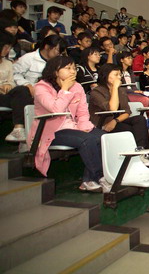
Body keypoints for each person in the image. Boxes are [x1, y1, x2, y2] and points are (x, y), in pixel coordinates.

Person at [27, 56, 107, 192]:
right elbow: (56, 109)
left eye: (74, 68)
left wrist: (83, 126)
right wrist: (65, 89)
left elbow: (82, 112)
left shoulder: (77, 87)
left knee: (104, 137)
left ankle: (88, 180)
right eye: (68, 68)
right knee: (88, 140)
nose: (73, 71)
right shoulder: (41, 87)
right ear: (55, 71)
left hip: (73, 128)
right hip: (50, 132)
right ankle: (99, 177)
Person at [88, 64, 149, 150]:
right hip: (103, 122)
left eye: (120, 75)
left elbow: (127, 111)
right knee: (131, 130)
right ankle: (138, 151)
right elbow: (112, 108)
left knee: (140, 119)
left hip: (118, 120)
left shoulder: (121, 90)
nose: (119, 77)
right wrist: (114, 88)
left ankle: (141, 150)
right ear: (106, 75)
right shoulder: (96, 92)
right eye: (116, 74)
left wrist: (115, 121)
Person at [0, 31, 33, 142]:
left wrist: (8, 85)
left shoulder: (8, 63)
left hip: (5, 96)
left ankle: (19, 129)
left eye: (9, 47)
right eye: (5, 47)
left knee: (23, 90)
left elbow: (11, 81)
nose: (7, 50)